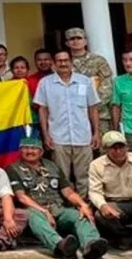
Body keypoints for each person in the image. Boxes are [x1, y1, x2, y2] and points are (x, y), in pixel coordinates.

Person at [6, 134, 108, 259]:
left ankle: (91, 246)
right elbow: (21, 197)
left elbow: (68, 192)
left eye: (33, 148)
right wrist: (44, 211)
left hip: (58, 208)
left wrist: (83, 205)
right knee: (32, 216)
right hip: (35, 209)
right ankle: (60, 246)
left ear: (41, 152)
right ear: (20, 151)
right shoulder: (13, 169)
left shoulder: (52, 166)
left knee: (80, 215)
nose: (29, 151)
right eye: (25, 148)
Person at [34, 50, 100, 198]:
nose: (63, 63)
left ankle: (85, 204)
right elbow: (43, 111)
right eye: (59, 61)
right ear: (54, 63)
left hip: (83, 136)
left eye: (66, 60)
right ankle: (67, 204)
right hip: (58, 137)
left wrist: (96, 133)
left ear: (71, 62)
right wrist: (46, 135)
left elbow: (93, 108)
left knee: (85, 175)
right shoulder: (45, 83)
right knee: (61, 176)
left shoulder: (85, 81)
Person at [67, 27, 114, 137]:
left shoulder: (98, 61)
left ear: (85, 41)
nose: (75, 41)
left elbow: (107, 86)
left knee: (102, 144)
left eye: (79, 38)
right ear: (67, 43)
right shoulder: (64, 63)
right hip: (74, 116)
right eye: (72, 39)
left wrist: (94, 107)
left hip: (100, 114)